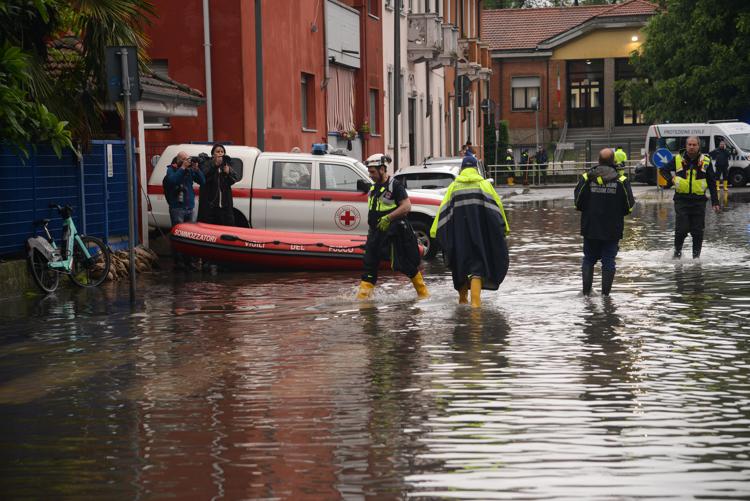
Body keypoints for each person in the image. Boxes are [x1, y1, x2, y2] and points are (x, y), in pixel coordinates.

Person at [430, 155, 510, 307]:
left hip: (459, 237)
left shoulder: (453, 187)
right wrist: (504, 228)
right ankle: (475, 307)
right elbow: (497, 211)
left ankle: (462, 301)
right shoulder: (485, 186)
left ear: (462, 169)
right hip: (480, 236)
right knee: (477, 269)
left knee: (460, 266)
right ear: (475, 169)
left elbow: (443, 213)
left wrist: (435, 233)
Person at [355, 153, 429, 300]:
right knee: (369, 265)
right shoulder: (374, 187)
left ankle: (423, 294)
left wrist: (388, 218)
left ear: (382, 169)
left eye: (373, 172)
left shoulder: (395, 185)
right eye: (369, 172)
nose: (371, 175)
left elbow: (406, 206)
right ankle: (363, 300)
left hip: (394, 233)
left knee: (404, 265)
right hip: (375, 233)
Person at [574, 148, 635, 296]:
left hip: (590, 228)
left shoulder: (586, 178)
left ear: (598, 161)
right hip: (612, 229)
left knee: (588, 259)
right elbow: (629, 206)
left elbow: (577, 203)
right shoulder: (621, 181)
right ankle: (605, 297)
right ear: (614, 161)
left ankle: (586, 293)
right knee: (608, 261)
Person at [659, 136, 720, 259]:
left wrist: (715, 201)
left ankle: (696, 258)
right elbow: (663, 170)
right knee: (682, 229)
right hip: (682, 200)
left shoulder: (706, 161)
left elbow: (712, 182)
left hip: (699, 201)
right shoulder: (677, 159)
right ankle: (677, 254)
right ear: (686, 146)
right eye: (689, 145)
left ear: (698, 146)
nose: (692, 147)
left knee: (698, 231)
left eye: (694, 145)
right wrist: (670, 180)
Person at [163, 151, 206, 269]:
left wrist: (196, 169)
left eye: (188, 159)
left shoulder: (190, 170)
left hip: (189, 207)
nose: (188, 161)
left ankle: (189, 261)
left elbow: (203, 181)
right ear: (179, 160)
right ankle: (178, 261)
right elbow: (172, 181)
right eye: (185, 159)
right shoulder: (171, 170)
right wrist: (182, 168)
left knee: (190, 236)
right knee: (178, 236)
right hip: (177, 208)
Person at [197, 143, 239, 226]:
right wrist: (215, 165)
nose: (220, 153)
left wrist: (228, 173)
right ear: (213, 154)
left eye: (222, 151)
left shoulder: (226, 165)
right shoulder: (207, 164)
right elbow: (203, 177)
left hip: (224, 207)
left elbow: (233, 180)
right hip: (210, 207)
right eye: (218, 151)